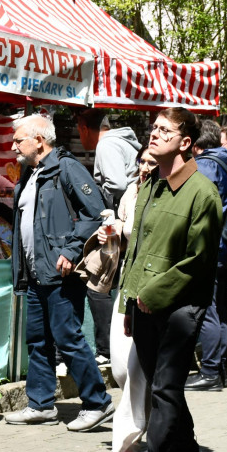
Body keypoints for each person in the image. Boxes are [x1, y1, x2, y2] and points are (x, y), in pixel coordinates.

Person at [119, 107, 222, 452]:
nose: (155, 133)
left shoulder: (203, 193)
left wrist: (153, 295)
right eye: (154, 127)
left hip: (180, 308)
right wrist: (130, 304)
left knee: (164, 387)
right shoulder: (151, 186)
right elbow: (138, 251)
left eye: (166, 129)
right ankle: (184, 445)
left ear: (186, 142)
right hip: (143, 306)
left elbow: (199, 261)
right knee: (164, 387)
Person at [2, 114, 115, 432]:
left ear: (39, 139)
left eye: (18, 139)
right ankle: (40, 404)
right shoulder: (31, 173)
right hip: (37, 273)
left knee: (68, 338)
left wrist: (69, 250)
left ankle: (98, 402)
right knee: (38, 340)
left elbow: (95, 214)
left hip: (61, 273)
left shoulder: (66, 167)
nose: (13, 146)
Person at [102, 145, 156, 452]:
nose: (145, 168)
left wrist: (123, 228)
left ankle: (125, 448)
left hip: (151, 289)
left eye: (151, 162)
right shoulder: (131, 191)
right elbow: (118, 244)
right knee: (121, 369)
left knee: (137, 372)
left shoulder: (164, 194)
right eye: (142, 162)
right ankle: (179, 439)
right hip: (125, 285)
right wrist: (110, 230)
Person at [76, 108, 139, 363]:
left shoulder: (106, 145)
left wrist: (100, 196)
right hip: (124, 224)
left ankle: (106, 351)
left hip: (114, 226)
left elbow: (118, 184)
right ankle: (113, 348)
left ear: (83, 127)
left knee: (99, 283)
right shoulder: (125, 143)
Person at [186, 119, 227, 391]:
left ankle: (209, 372)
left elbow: (199, 208)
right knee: (219, 309)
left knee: (208, 310)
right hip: (225, 248)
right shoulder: (225, 164)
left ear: (195, 144)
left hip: (211, 248)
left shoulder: (206, 166)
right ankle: (218, 369)